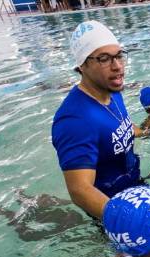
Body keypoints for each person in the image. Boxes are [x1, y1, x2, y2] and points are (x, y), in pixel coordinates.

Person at [51, 21, 144, 219]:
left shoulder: (111, 90)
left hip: (133, 187)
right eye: (104, 59)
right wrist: (126, 222)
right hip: (110, 209)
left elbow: (118, 129)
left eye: (119, 55)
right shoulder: (75, 119)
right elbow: (79, 190)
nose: (117, 66)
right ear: (82, 65)